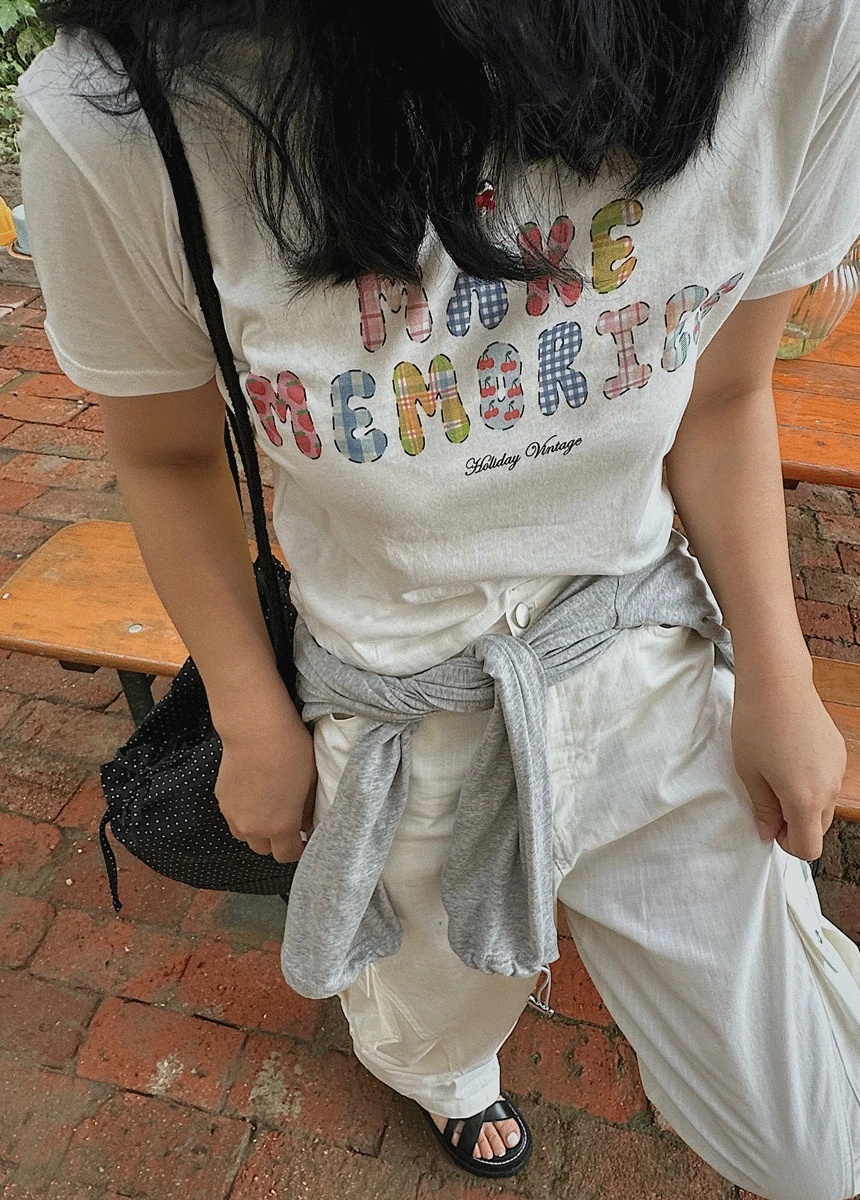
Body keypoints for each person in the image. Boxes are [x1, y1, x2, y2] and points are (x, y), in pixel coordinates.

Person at [15, 0, 860, 1194]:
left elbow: (721, 399)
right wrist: (253, 721)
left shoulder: (797, 27)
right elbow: (166, 455)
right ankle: (443, 1079)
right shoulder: (121, 105)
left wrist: (780, 674)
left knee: (814, 1147)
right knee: (429, 1004)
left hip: (647, 666)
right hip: (391, 719)